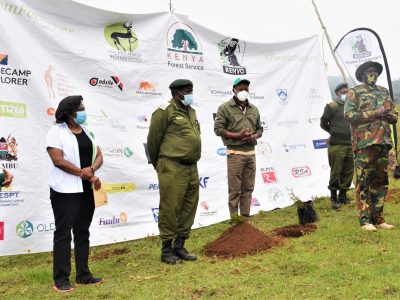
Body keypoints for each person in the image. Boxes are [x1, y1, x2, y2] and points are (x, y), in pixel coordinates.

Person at [46, 95, 104, 292]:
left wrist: (92, 170)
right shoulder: (56, 131)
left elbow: (99, 155)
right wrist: (82, 173)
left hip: (86, 190)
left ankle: (83, 275)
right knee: (63, 234)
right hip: (65, 190)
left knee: (82, 232)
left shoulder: (86, 130)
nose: (83, 112)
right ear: (69, 113)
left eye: (83, 108)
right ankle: (61, 279)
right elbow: (58, 160)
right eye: (80, 109)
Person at [147, 79, 201, 265]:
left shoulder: (191, 111)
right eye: (187, 90)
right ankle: (166, 250)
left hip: (191, 166)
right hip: (172, 165)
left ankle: (180, 245)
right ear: (176, 93)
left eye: (191, 90)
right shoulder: (164, 111)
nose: (190, 94)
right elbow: (153, 141)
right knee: (170, 208)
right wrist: (160, 164)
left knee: (189, 206)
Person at [344, 61, 398, 231]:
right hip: (364, 143)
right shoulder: (355, 92)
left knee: (381, 182)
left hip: (383, 142)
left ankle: (379, 218)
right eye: (369, 71)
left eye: (375, 71)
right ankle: (365, 221)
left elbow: (395, 116)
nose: (372, 73)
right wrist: (376, 113)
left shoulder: (384, 92)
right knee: (363, 182)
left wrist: (390, 115)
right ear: (362, 74)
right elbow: (349, 115)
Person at [214, 78, 263, 220]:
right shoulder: (225, 108)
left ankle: (245, 217)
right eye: (241, 89)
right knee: (235, 189)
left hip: (251, 154)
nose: (244, 91)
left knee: (248, 188)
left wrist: (254, 136)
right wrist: (238, 136)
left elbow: (260, 129)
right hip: (235, 154)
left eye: (246, 89)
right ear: (234, 90)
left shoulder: (254, 109)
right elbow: (218, 129)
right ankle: (235, 219)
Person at [320, 83, 354, 209]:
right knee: (336, 171)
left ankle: (343, 196)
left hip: (351, 144)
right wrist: (332, 132)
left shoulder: (352, 106)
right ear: (337, 93)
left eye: (348, 92)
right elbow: (323, 122)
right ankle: (334, 198)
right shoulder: (332, 106)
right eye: (343, 92)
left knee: (348, 171)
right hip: (337, 144)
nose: (346, 94)